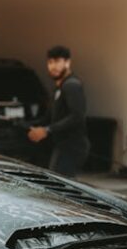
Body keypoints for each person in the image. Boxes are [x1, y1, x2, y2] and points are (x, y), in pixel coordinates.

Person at [27, 45, 90, 178]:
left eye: (57, 62)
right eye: (50, 62)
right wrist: (29, 125)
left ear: (67, 62)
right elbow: (50, 117)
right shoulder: (58, 88)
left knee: (60, 184)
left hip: (72, 146)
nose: (53, 66)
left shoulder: (71, 85)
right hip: (61, 145)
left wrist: (47, 130)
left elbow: (77, 116)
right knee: (58, 183)